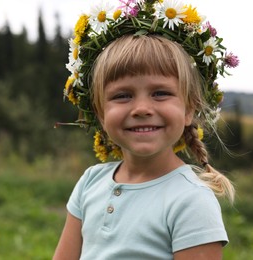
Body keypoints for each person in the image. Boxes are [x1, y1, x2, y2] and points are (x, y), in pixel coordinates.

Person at [54, 0, 239, 259]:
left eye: (160, 93)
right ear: (100, 112)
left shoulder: (191, 200)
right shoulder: (90, 182)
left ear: (189, 109)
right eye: (122, 96)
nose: (141, 108)